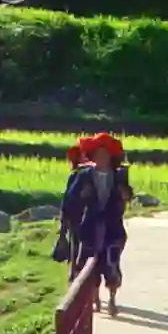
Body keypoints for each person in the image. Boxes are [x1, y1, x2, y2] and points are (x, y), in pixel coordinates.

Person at [54, 131, 131, 315]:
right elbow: (70, 199)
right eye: (98, 155)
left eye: (105, 155)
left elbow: (128, 196)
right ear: (93, 157)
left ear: (111, 157)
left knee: (112, 264)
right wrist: (67, 224)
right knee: (91, 266)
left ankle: (112, 299)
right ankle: (95, 298)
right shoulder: (84, 175)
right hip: (89, 227)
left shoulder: (119, 176)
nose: (102, 158)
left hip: (113, 228)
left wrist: (123, 193)